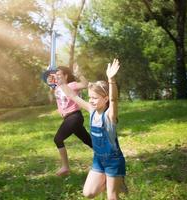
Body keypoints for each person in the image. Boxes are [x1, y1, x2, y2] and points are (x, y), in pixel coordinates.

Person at [58, 59, 127, 199]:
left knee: (112, 197)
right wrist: (62, 83)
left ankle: (116, 181)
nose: (91, 101)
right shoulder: (92, 110)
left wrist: (111, 79)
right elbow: (72, 95)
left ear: (105, 98)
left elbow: (114, 100)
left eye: (95, 98)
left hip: (113, 160)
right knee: (88, 193)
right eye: (90, 97)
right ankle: (113, 180)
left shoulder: (110, 115)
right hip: (98, 159)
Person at [47, 64, 92, 176]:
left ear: (66, 76)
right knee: (88, 140)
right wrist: (49, 73)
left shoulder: (72, 85)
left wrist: (79, 74)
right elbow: (50, 88)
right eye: (56, 75)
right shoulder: (57, 87)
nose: (57, 76)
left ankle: (65, 167)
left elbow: (86, 85)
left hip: (74, 117)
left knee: (58, 139)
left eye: (59, 74)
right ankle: (106, 155)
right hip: (68, 118)